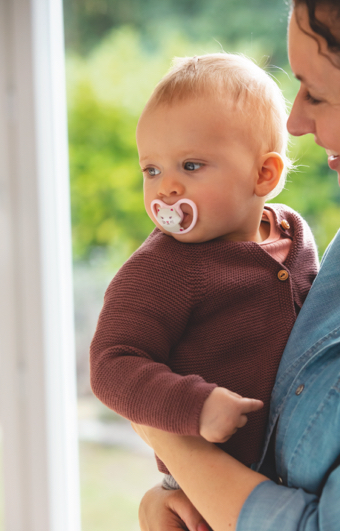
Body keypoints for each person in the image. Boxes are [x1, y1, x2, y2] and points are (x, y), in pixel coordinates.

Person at [134, 0, 340, 529]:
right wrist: (182, 490)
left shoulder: (299, 240)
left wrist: (169, 434)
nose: (296, 121)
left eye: (317, 92)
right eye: (152, 169)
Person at [90, 53, 319, 489]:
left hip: (298, 470)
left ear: (263, 175)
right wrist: (196, 406)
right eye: (151, 169)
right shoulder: (161, 268)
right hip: (209, 480)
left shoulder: (294, 233)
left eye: (190, 166)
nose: (166, 187)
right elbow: (110, 365)